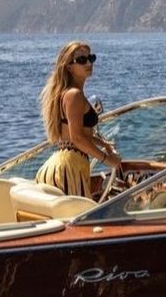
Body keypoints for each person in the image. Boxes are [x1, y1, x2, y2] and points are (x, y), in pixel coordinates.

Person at [35, 41, 121, 196]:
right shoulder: (73, 95)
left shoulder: (67, 94)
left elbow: (76, 131)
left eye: (91, 58)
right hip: (69, 169)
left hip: (62, 165)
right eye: (81, 60)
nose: (88, 63)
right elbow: (77, 138)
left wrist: (102, 143)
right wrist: (108, 160)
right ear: (69, 67)